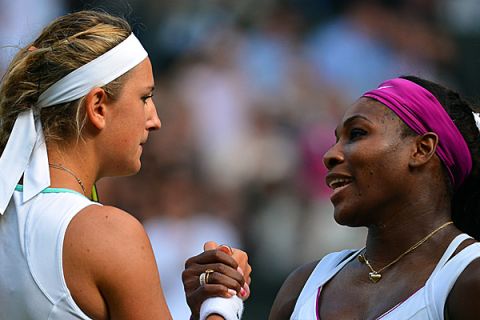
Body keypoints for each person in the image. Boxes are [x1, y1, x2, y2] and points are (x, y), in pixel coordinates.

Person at [0, 10, 250, 320]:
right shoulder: (110, 234)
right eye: (145, 97)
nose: (155, 120)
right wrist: (221, 303)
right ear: (98, 106)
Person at [184, 75, 480, 319]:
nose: (330, 155)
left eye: (357, 134)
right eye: (336, 138)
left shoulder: (469, 278)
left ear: (421, 149)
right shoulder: (303, 285)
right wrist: (216, 307)